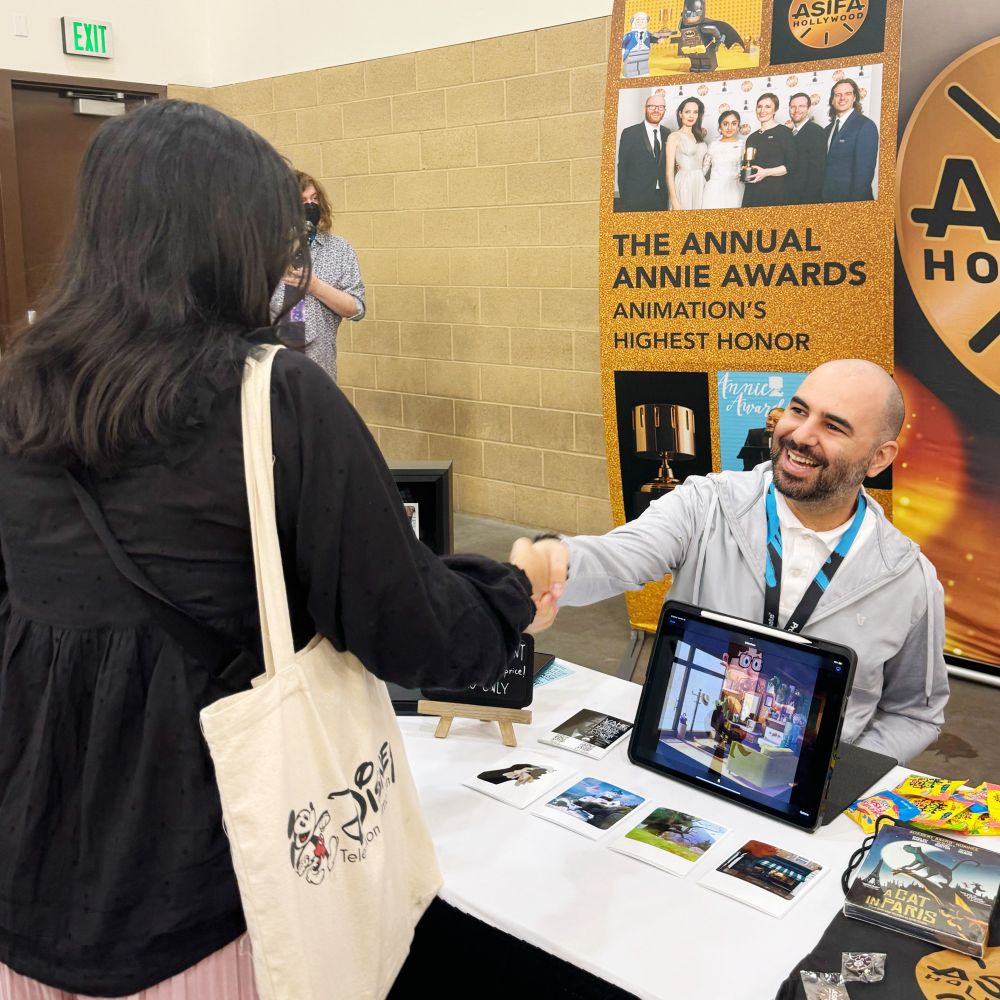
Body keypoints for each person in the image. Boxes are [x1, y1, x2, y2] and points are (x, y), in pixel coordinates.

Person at [0, 100, 560, 998]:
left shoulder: (17, 394)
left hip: (30, 863)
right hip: (205, 881)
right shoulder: (274, 397)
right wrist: (514, 589)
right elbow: (409, 628)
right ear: (236, 239)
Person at [527, 360, 949, 765]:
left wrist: (840, 775)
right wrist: (552, 563)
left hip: (805, 794)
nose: (801, 435)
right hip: (680, 753)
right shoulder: (706, 504)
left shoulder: (908, 578)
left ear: (879, 458)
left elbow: (914, 714)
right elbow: (619, 557)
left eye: (833, 426)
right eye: (798, 411)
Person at [271, 171, 364, 381]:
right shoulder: (266, 250)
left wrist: (315, 287)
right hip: (272, 371)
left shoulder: (339, 249)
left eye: (314, 199)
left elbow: (357, 309)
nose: (310, 206)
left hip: (319, 370)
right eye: (302, 201)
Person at [822, 78, 879, 203]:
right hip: (827, 200)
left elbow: (864, 175)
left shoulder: (865, 126)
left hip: (852, 201)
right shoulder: (827, 130)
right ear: (832, 100)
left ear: (854, 98)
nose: (842, 98)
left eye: (847, 93)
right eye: (838, 95)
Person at [741, 92, 797, 208]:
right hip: (753, 193)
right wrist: (743, 172)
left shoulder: (784, 132)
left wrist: (766, 172)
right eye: (759, 106)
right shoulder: (752, 137)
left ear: (775, 110)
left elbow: (792, 166)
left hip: (775, 192)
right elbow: (748, 165)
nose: (762, 110)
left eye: (767, 106)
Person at [616, 92, 670, 212]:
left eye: (661, 107)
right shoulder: (629, 133)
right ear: (644, 109)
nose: (656, 110)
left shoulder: (667, 133)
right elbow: (622, 167)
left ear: (664, 110)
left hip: (661, 198)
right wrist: (625, 199)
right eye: (652, 106)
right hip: (636, 199)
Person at [665, 97, 708, 211]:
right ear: (680, 114)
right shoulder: (674, 136)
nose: (691, 116)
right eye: (687, 112)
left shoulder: (699, 137)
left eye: (695, 112)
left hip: (700, 182)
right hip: (684, 183)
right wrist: (674, 201)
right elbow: (669, 172)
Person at [787, 92, 826, 205]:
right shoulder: (788, 134)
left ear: (808, 109)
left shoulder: (816, 132)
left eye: (801, 106)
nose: (796, 110)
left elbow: (817, 174)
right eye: (793, 107)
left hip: (806, 199)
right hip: (789, 197)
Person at [702, 109, 745, 210]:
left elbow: (746, 169)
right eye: (725, 124)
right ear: (720, 126)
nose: (729, 128)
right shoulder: (713, 145)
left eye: (734, 124)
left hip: (735, 189)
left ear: (738, 126)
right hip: (714, 191)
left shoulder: (743, 145)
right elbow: (703, 170)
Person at [737, 405, 784, 471]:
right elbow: (747, 460)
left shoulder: (788, 438)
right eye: (769, 419)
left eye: (775, 421)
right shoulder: (754, 434)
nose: (770, 422)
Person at [621, 12, 667, 78]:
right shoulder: (630, 34)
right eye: (638, 21)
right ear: (633, 22)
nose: (640, 22)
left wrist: (658, 40)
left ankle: (643, 72)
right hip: (632, 52)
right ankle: (630, 73)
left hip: (644, 51)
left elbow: (652, 38)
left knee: (643, 62)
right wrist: (623, 50)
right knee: (631, 63)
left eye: (643, 20)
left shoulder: (647, 34)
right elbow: (624, 42)